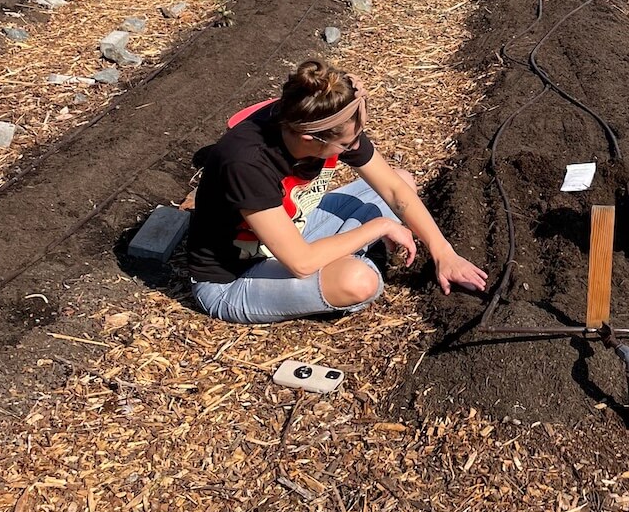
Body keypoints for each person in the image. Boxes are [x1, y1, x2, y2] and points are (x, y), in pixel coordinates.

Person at [186, 59, 487, 324]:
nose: (354, 147)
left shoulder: (321, 116)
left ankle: (357, 252)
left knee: (404, 180)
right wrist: (379, 226)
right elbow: (301, 262)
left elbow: (394, 189)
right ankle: (363, 256)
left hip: (294, 228)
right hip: (236, 278)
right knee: (358, 281)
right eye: (345, 144)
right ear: (308, 138)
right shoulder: (247, 162)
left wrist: (443, 252)